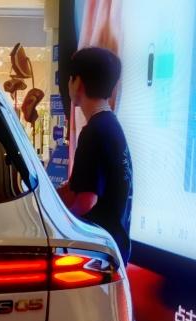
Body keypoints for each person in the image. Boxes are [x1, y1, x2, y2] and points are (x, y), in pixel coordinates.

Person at [58, 46, 134, 263]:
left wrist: (60, 224)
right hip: (114, 243)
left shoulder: (94, 131)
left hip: (99, 253)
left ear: (78, 83)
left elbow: (86, 200)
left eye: (70, 78)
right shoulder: (110, 125)